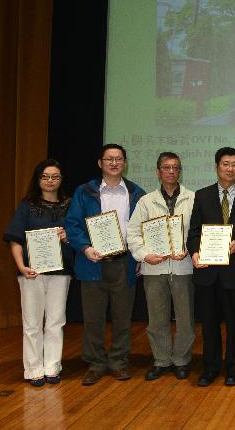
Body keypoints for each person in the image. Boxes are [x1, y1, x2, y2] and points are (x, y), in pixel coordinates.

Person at [65, 144, 146, 386]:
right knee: (93, 317)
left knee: (123, 316)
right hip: (93, 263)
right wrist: (85, 248)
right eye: (109, 159)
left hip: (124, 263)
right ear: (100, 163)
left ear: (125, 163)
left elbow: (143, 227)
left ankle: (119, 362)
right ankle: (96, 363)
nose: (114, 163)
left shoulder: (136, 192)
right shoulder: (85, 192)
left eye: (119, 159)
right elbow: (73, 224)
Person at [187, 147, 235, 387]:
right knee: (209, 323)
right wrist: (195, 252)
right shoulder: (202, 195)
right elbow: (194, 232)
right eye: (226, 164)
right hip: (207, 272)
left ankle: (234, 368)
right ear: (217, 166)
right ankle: (211, 367)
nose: (230, 169)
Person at [3, 159, 75, 387]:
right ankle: (34, 369)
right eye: (45, 176)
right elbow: (15, 239)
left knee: (56, 321)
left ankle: (52, 367)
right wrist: (21, 267)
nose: (50, 181)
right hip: (31, 272)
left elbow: (80, 238)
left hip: (60, 272)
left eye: (55, 176)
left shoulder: (69, 205)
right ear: (38, 180)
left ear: (61, 179)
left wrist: (68, 237)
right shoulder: (27, 205)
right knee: (32, 323)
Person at [126, 152, 195, 381]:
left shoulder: (192, 199)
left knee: (185, 318)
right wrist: (145, 255)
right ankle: (162, 360)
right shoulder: (146, 202)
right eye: (166, 167)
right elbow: (133, 233)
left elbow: (197, 232)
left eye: (175, 167)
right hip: (154, 269)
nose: (171, 171)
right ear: (158, 172)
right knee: (157, 318)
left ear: (180, 171)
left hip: (183, 267)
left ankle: (182, 360)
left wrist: (189, 249)